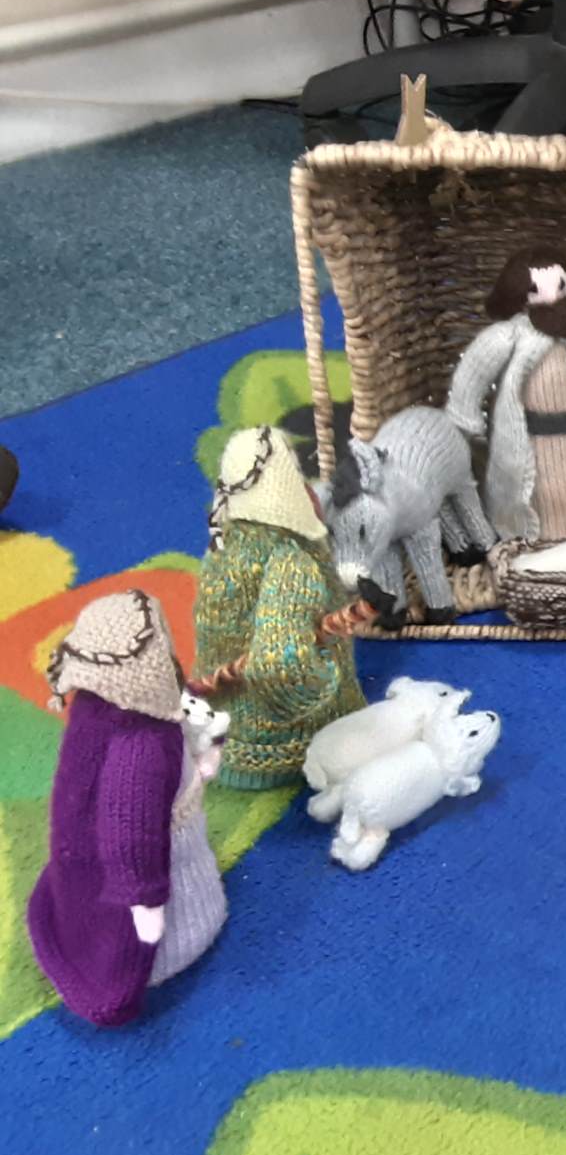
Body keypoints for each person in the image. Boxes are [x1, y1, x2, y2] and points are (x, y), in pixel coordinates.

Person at [30, 591, 184, 1026]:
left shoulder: (92, 707)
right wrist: (144, 901)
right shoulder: (142, 741)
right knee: (172, 903)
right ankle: (127, 962)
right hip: (143, 879)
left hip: (79, 853)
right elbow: (128, 835)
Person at [194, 428, 366, 789]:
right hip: (299, 745)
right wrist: (327, 680)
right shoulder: (292, 558)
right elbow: (279, 663)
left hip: (225, 732)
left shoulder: (224, 547)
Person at [447, 246, 566, 542]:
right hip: (530, 445)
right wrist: (464, 419)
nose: (551, 297)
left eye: (559, 285)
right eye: (537, 289)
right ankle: (533, 539)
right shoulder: (509, 336)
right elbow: (474, 371)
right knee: (533, 497)